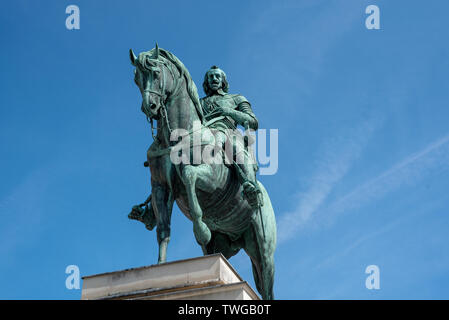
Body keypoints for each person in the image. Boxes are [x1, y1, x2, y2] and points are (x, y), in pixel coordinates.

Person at [200, 66, 261, 208]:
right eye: (211, 77)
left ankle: (251, 188)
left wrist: (229, 112)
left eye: (217, 76)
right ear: (206, 81)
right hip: (203, 134)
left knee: (235, 146)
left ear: (223, 81)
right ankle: (152, 208)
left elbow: (253, 122)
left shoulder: (236, 98)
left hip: (228, 133)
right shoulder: (199, 102)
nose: (214, 79)